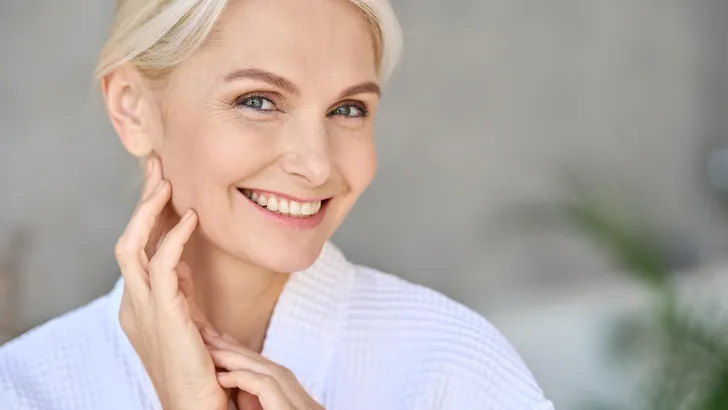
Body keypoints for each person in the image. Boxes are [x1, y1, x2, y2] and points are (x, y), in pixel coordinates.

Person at [0, 0, 554, 409]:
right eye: (258, 101)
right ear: (132, 109)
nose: (316, 164)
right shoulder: (24, 388)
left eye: (348, 109)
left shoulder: (451, 365)